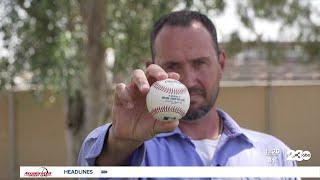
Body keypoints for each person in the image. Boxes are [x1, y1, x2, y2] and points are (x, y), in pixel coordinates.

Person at [78, 10, 297, 170]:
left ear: (221, 64)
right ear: (151, 69)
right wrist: (120, 143)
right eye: (172, 66)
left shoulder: (276, 156)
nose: (189, 80)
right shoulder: (132, 150)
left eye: (200, 63)